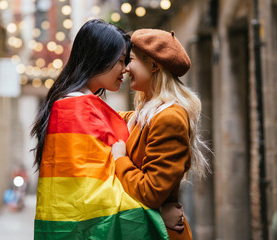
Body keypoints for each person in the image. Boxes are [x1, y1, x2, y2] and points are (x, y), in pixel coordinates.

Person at [31, 20, 180, 239]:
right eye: (120, 61)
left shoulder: (80, 105)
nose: (125, 69)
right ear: (98, 58)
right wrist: (157, 215)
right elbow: (92, 199)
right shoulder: (74, 108)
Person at [112, 29, 210, 240]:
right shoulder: (146, 113)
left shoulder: (169, 118)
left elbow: (151, 192)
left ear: (154, 65)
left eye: (131, 60)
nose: (127, 68)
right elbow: (112, 118)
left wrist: (120, 159)